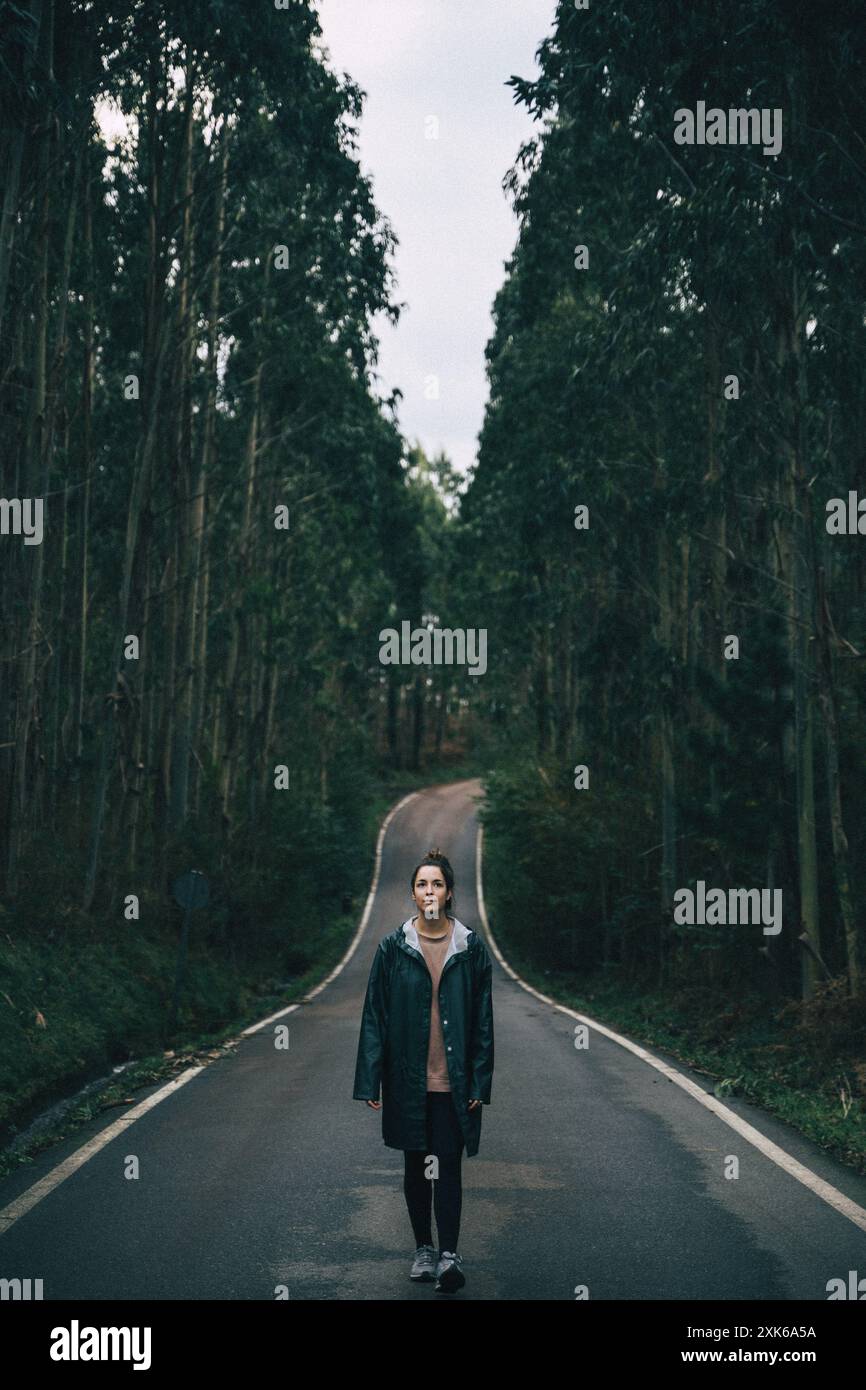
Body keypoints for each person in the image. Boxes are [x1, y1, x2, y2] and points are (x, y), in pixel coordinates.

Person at [353, 846, 494, 1294]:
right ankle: (423, 1249)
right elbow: (375, 1014)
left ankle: (449, 1256)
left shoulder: (469, 948)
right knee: (417, 1166)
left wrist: (477, 1080)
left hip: (452, 1082)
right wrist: (370, 1077)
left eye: (436, 883)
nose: (429, 890)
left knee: (447, 1164)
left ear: (449, 893)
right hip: (408, 1079)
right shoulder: (394, 947)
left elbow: (483, 1023)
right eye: (421, 884)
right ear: (413, 894)